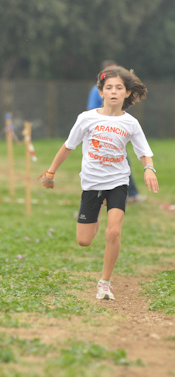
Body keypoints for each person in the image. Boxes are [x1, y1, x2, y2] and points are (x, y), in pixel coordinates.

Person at [40, 66, 159, 300]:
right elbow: (68, 147)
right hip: (92, 184)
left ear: (126, 93)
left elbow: (144, 151)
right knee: (84, 241)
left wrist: (149, 169)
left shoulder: (131, 123)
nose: (113, 92)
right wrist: (50, 173)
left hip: (117, 182)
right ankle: (97, 210)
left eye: (119, 88)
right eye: (109, 88)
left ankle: (105, 283)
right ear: (100, 92)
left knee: (113, 231)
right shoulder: (87, 118)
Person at [87, 60, 144, 203]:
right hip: (101, 135)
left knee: (122, 162)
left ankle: (127, 194)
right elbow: (91, 112)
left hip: (116, 135)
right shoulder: (96, 91)